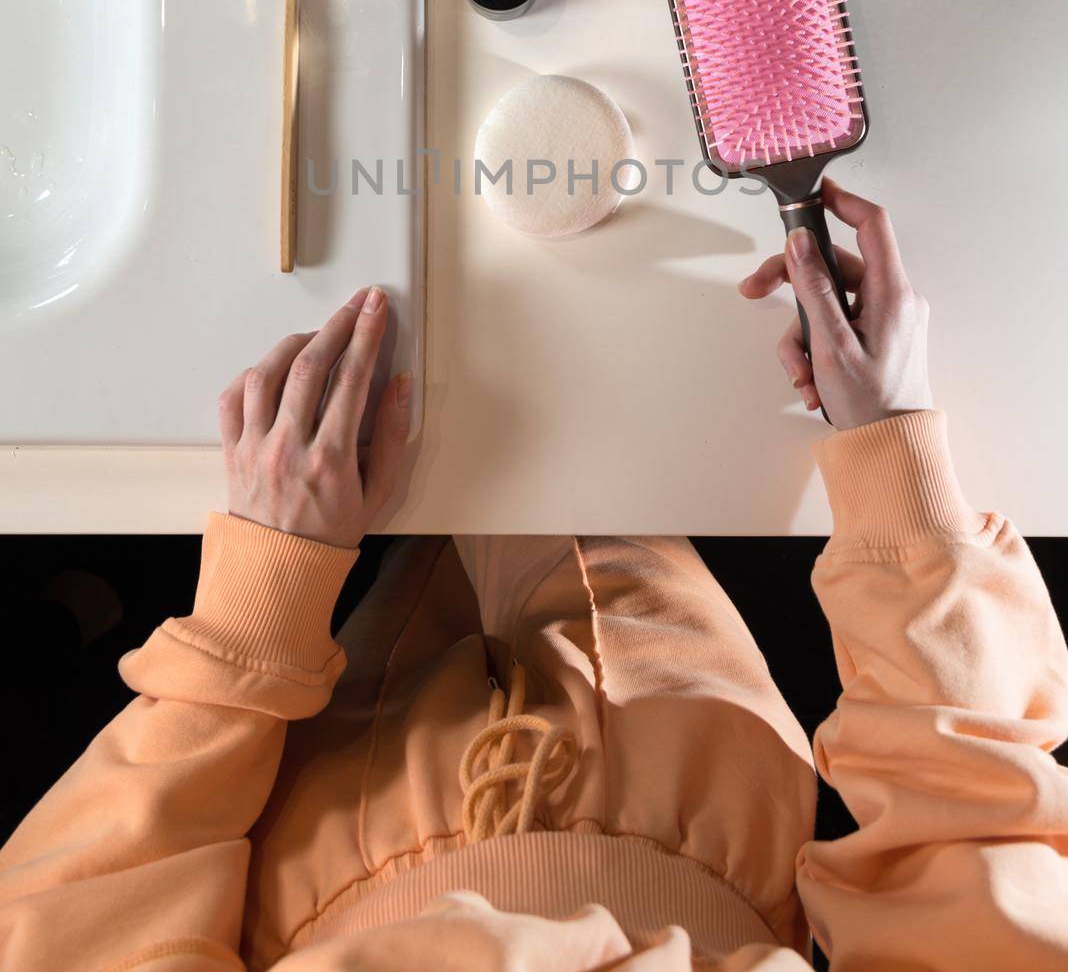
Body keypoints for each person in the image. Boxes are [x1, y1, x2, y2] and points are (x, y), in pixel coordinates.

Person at [2, 181, 1067, 970]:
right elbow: (972, 837)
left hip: (320, 841)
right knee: (521, 446)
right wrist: (890, 456)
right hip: (682, 769)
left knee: (424, 505)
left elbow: (78, 915)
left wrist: (263, 596)